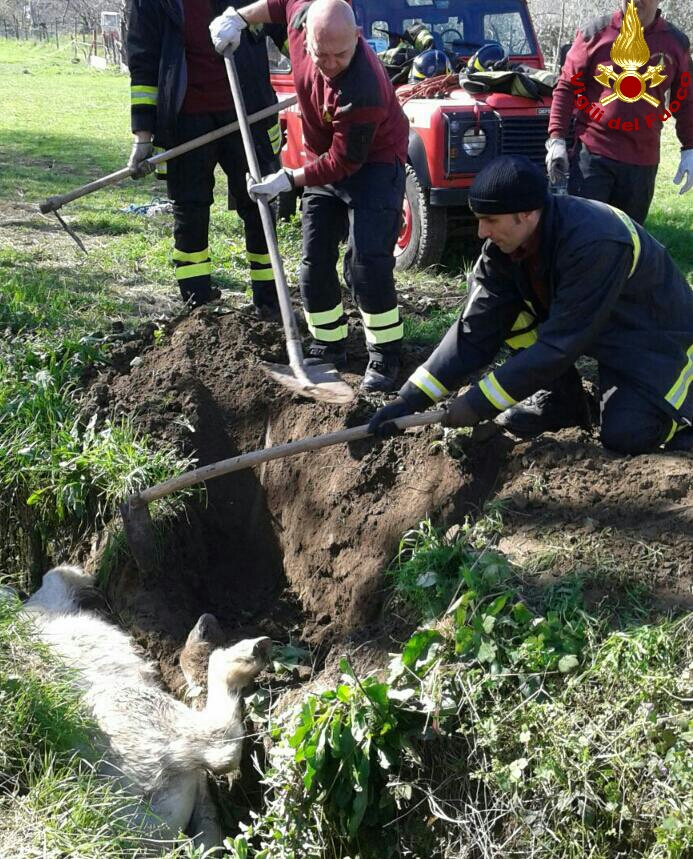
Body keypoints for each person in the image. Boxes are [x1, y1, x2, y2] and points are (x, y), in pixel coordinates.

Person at [368, 155, 693, 455]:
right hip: (598, 330)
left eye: (490, 220)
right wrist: (407, 400)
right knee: (510, 315)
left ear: (526, 213)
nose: (482, 232)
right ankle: (561, 403)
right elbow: (474, 332)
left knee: (626, 436)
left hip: (653, 339)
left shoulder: (595, 243)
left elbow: (558, 347)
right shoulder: (504, 250)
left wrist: (478, 404)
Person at [209, 0, 409, 391]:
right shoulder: (302, 17)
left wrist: (288, 179)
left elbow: (344, 161)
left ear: (358, 38)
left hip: (374, 161)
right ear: (304, 36)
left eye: (341, 54)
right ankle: (327, 345)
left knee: (367, 262)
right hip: (322, 156)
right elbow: (279, 3)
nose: (331, 63)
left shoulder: (363, 87)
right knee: (314, 261)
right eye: (322, 54)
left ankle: (385, 355)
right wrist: (238, 18)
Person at [126, 0, 284, 316]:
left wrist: (323, 65)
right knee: (190, 212)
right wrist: (142, 133)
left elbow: (283, 22)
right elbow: (143, 62)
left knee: (259, 206)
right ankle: (197, 307)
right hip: (185, 118)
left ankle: (270, 302)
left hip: (248, 111)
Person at [546, 0, 693, 225]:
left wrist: (690, 148)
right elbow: (566, 86)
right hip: (593, 157)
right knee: (583, 235)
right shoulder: (594, 33)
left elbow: (686, 100)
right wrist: (556, 139)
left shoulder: (675, 43)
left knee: (628, 239)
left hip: (642, 162)